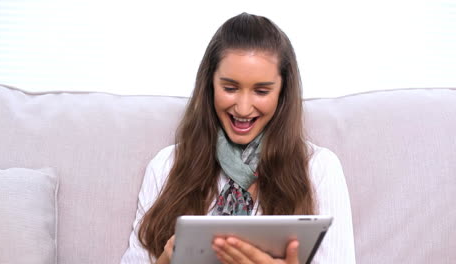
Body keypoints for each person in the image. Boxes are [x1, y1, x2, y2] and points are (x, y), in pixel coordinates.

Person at [121, 12, 355, 264]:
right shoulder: (167, 165)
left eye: (262, 91)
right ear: (209, 85)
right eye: (230, 88)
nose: (243, 109)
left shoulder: (319, 168)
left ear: (282, 93)